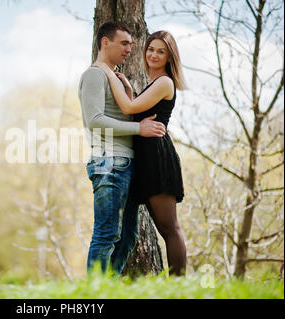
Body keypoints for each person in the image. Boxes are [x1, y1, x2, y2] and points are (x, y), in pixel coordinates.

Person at [92, 30, 187, 276]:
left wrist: (106, 72)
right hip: (143, 158)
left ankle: (179, 287)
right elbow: (137, 109)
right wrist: (130, 90)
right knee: (137, 231)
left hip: (157, 158)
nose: (153, 55)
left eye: (161, 51)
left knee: (169, 228)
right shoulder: (153, 84)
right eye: (151, 49)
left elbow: (128, 107)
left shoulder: (165, 82)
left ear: (169, 57)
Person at [79, 21, 166, 276]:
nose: (130, 49)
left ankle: (108, 288)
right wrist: (139, 129)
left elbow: (119, 114)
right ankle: (94, 294)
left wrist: (128, 94)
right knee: (106, 234)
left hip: (125, 164)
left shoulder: (114, 78)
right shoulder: (94, 74)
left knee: (127, 238)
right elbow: (95, 120)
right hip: (110, 163)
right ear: (105, 42)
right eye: (124, 43)